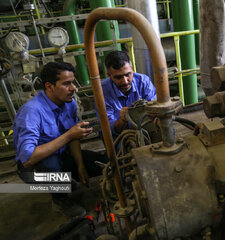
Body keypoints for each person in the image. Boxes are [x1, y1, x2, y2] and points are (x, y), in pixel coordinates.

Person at [13, 61, 106, 218]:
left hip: (62, 155)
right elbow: (28, 159)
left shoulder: (68, 103)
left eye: (73, 82)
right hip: (34, 169)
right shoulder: (31, 112)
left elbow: (73, 137)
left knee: (102, 163)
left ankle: (66, 181)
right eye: (67, 84)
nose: (73, 88)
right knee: (51, 166)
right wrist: (69, 135)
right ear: (49, 87)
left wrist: (80, 166)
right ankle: (59, 200)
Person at [100, 51, 157, 136]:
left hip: (146, 128)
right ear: (109, 75)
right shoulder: (102, 91)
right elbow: (108, 129)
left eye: (128, 74)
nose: (125, 81)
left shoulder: (143, 81)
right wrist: (122, 120)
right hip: (120, 135)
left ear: (132, 69)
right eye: (118, 77)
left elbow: (156, 109)